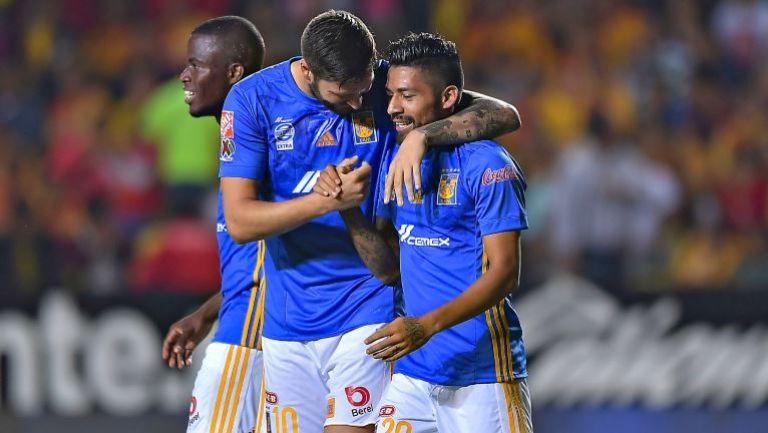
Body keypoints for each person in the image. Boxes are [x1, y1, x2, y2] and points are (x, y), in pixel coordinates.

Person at [219, 10, 521, 433]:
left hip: (369, 307)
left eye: (366, 90)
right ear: (308, 71)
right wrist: (327, 203)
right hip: (288, 315)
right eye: (345, 95)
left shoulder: (389, 86)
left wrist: (420, 136)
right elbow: (239, 221)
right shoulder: (253, 100)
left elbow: (505, 114)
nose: (364, 104)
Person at [357, 32, 533, 433]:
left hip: (484, 373)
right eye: (390, 95)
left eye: (407, 96)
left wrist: (426, 325)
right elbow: (388, 266)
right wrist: (347, 211)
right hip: (413, 374)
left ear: (449, 97)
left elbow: (505, 273)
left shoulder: (488, 164)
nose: (393, 108)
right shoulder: (395, 158)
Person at [159, 15, 267, 433]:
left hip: (250, 339)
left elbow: (287, 255)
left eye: (196, 65)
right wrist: (206, 314)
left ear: (235, 72)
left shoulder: (259, 140)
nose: (184, 76)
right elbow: (262, 258)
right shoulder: (236, 138)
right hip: (246, 326)